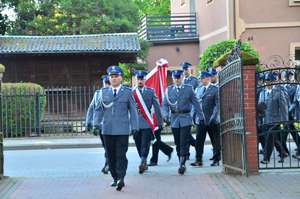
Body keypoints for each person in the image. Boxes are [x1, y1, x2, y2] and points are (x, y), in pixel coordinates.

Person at [94, 65, 139, 191]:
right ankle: (115, 177)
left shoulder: (127, 92)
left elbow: (133, 110)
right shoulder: (103, 92)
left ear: (121, 78)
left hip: (122, 130)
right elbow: (98, 109)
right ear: (109, 78)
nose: (113, 79)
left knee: (121, 155)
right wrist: (96, 124)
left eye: (116, 76)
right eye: (111, 76)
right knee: (110, 155)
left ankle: (121, 177)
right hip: (107, 129)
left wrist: (135, 126)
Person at [162, 70, 202, 175]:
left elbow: (196, 103)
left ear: (182, 78)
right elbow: (165, 105)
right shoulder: (169, 90)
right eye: (175, 78)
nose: (177, 80)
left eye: (178, 78)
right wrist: (165, 115)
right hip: (174, 119)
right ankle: (181, 157)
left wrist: (200, 117)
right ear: (173, 79)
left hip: (185, 118)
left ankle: (182, 163)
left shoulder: (189, 89)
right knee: (177, 142)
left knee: (184, 141)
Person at [132, 70, 164, 174]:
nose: (140, 81)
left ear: (145, 79)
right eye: (138, 79)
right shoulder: (132, 92)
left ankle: (143, 161)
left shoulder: (150, 91)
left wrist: (160, 122)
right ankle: (143, 160)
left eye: (142, 79)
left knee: (145, 143)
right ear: (136, 80)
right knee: (138, 143)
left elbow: (157, 107)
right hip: (136, 123)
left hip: (146, 122)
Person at [258, 72, 289, 164]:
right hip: (266, 119)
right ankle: (283, 153)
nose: (268, 83)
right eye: (267, 81)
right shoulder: (262, 92)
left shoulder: (279, 92)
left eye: (270, 81)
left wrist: (285, 121)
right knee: (275, 140)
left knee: (269, 137)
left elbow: (284, 107)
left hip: (276, 120)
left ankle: (266, 158)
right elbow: (259, 105)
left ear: (274, 81)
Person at [191, 71, 220, 167]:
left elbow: (217, 105)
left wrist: (213, 117)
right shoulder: (198, 89)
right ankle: (198, 160)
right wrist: (193, 116)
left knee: (215, 140)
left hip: (212, 120)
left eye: (202, 78)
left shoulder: (215, 89)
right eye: (200, 78)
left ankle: (216, 159)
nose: (200, 80)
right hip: (201, 120)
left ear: (208, 78)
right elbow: (195, 104)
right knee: (199, 141)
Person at [85, 75, 110, 174]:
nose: (107, 85)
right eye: (106, 83)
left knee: (108, 146)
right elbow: (91, 108)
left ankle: (108, 164)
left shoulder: (116, 93)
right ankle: (108, 163)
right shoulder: (98, 94)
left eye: (108, 83)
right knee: (106, 146)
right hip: (101, 126)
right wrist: (89, 122)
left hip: (112, 126)